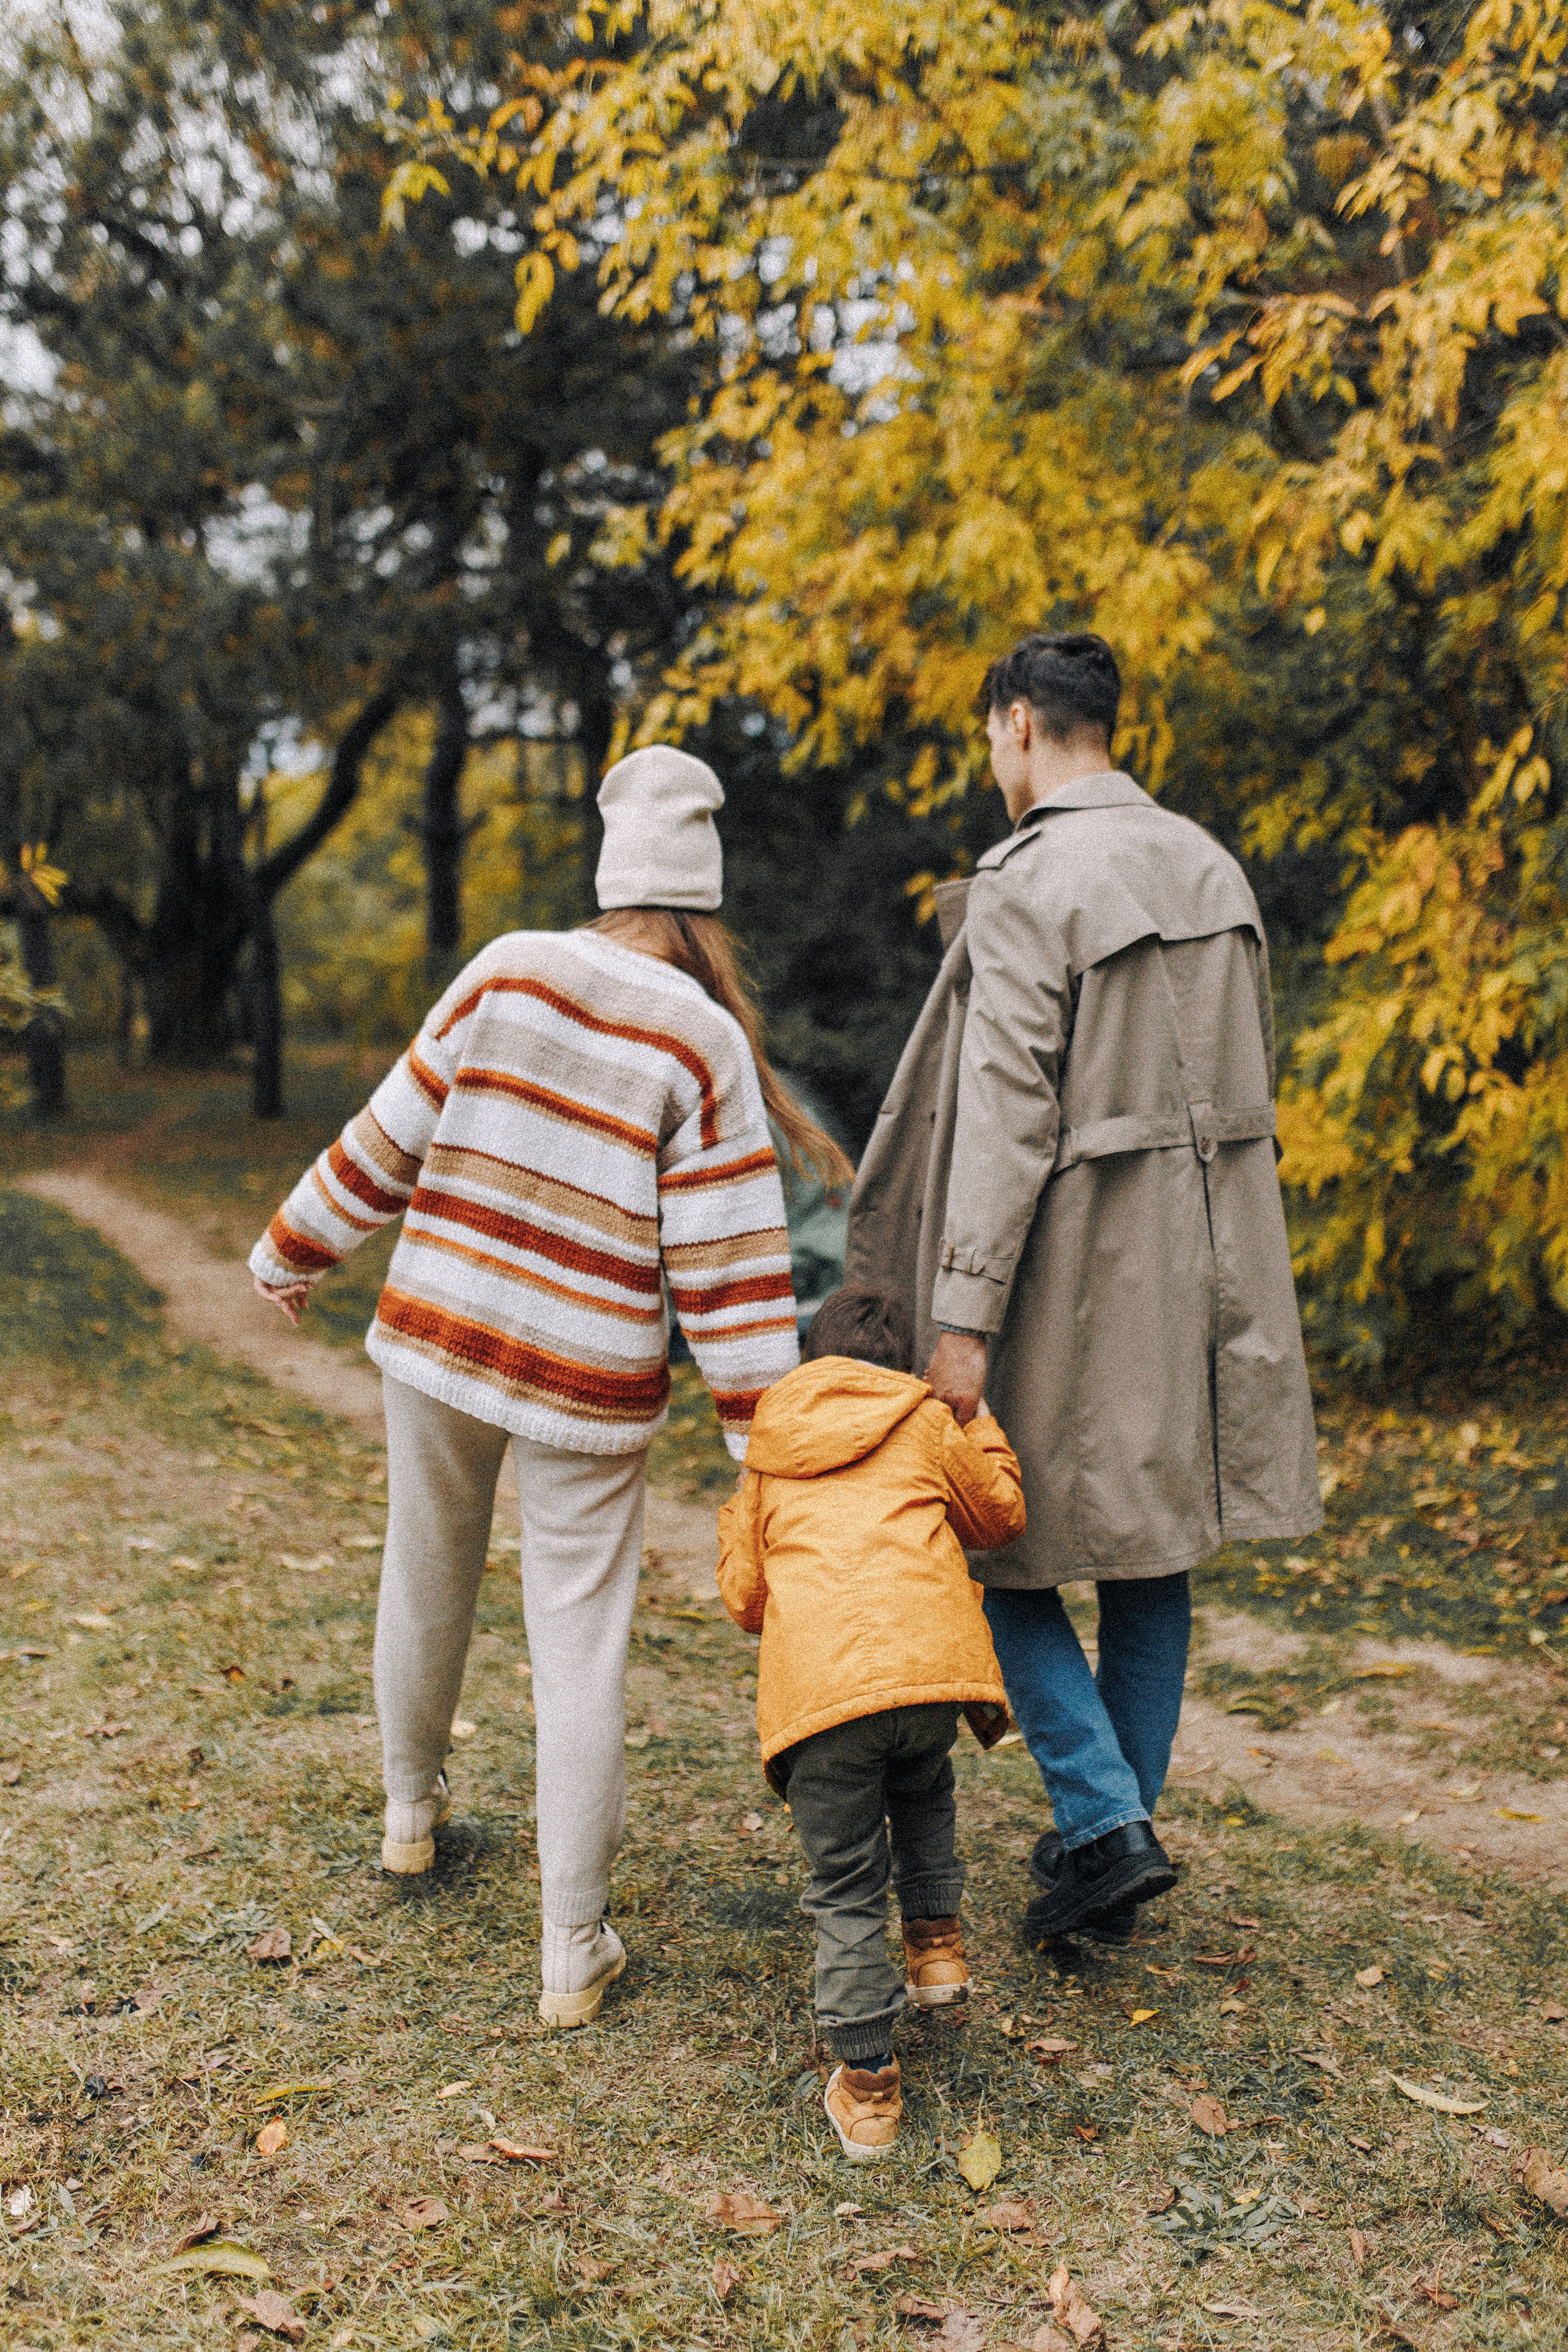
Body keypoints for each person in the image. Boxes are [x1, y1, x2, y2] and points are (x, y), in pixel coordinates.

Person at [250, 745, 850, 2027]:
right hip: (587, 1378)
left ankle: (410, 1816)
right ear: (704, 892)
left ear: (608, 868)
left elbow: (389, 1130)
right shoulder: (702, 1043)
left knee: (426, 1570)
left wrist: (292, 1246)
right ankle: (570, 1951)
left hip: (439, 1340)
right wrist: (766, 1447)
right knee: (578, 1642)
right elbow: (732, 1271)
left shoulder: (509, 967)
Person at [846, 633, 1322, 1947]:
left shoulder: (1029, 880)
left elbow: (1002, 1119)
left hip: (1075, 1262)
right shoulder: (1208, 865)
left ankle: (1104, 1820)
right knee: (1151, 1545)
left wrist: (959, 1318)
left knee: (991, 1536)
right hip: (1212, 1256)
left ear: (1014, 725)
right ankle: (1104, 1850)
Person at [715, 1284, 1025, 2160]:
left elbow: (744, 1599)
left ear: (812, 1363)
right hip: (930, 1678)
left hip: (822, 1700)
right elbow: (1002, 1516)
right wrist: (980, 1420)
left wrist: (739, 1528)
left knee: (847, 1881)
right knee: (923, 1790)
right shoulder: (927, 1425)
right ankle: (935, 1951)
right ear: (900, 1368)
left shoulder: (769, 1454)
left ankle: (869, 2086)